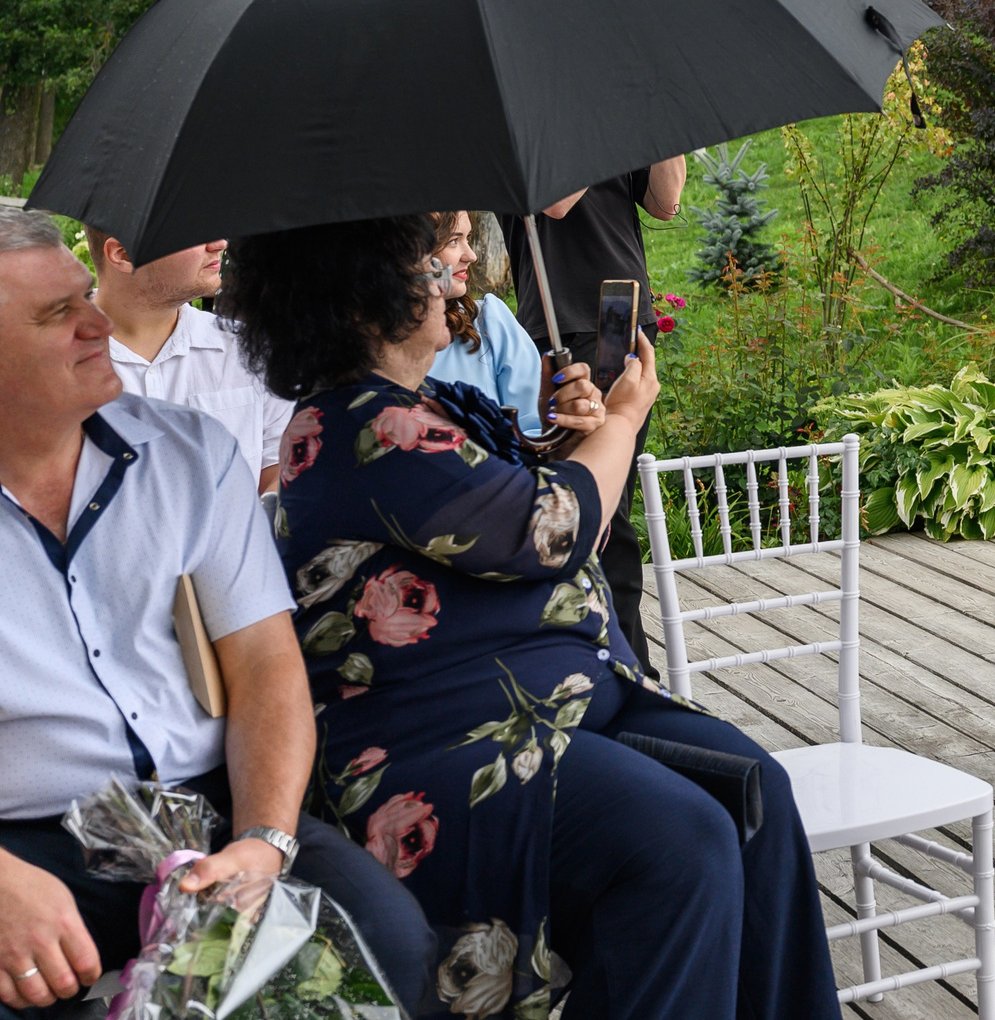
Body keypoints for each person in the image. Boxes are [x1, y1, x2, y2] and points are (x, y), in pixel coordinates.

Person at [222, 214, 838, 1020]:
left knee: (756, 789)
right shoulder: (360, 426)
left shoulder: (428, 400)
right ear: (367, 293)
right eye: (437, 251)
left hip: (571, 700)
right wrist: (619, 425)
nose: (462, 263)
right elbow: (550, 528)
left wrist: (568, 431)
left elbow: (513, 471)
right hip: (445, 745)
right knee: (677, 840)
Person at [0, 210, 433, 1016]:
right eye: (59, 314)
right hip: (26, 843)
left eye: (82, 298)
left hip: (210, 807)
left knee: (389, 946)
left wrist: (263, 842)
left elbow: (266, 663)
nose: (99, 321)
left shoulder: (188, 453)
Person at [504, 159, 683, 672]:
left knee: (613, 505)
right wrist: (608, 124)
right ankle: (623, 668)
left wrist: (656, 120)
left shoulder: (600, 119)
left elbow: (664, 205)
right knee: (597, 512)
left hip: (621, 316)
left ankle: (623, 665)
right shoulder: (527, 129)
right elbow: (556, 204)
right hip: (562, 328)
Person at [83, 230, 292, 492]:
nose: (219, 244)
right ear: (123, 254)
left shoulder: (251, 351)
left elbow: (279, 470)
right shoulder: (50, 365)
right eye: (194, 231)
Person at [425, 212, 543, 427]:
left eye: (467, 239)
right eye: (453, 241)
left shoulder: (488, 321)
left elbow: (533, 425)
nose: (471, 256)